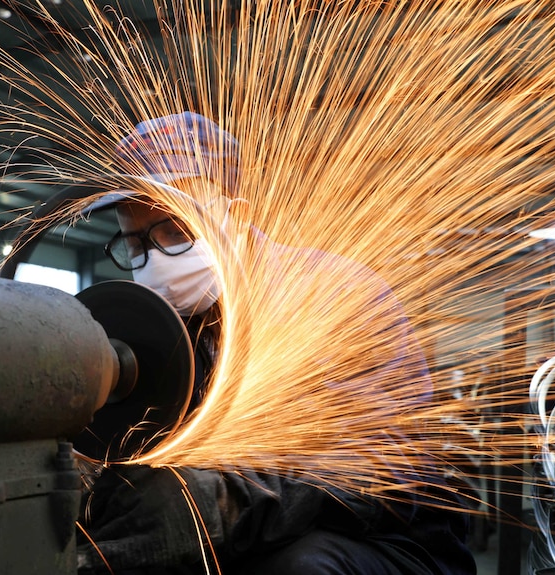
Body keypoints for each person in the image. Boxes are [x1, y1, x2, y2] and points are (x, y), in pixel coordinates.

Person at [76, 112, 477, 575]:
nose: (153, 259)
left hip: (385, 543)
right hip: (251, 539)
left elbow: (378, 463)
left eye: (175, 230)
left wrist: (227, 502)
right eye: (135, 243)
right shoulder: (162, 330)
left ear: (237, 214)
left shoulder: (331, 295)